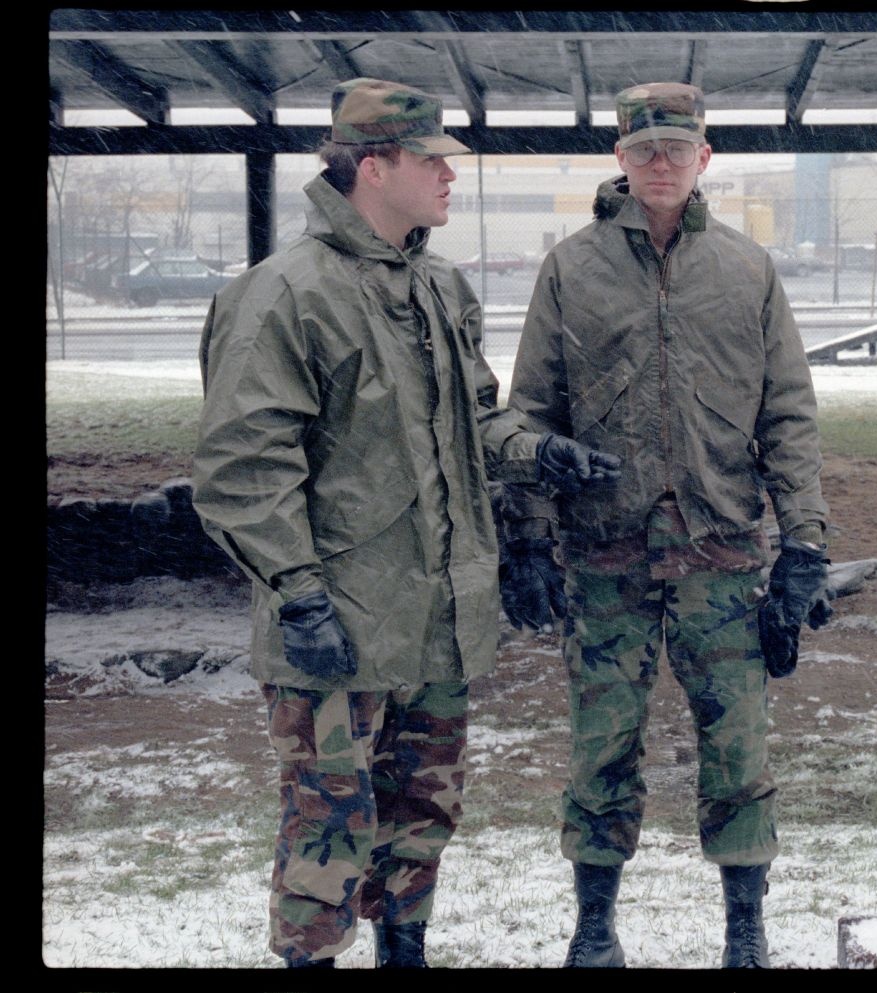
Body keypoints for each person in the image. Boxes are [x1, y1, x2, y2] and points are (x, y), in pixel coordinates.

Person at [192, 77, 618, 969]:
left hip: (438, 622)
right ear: (374, 167)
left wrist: (540, 454)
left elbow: (475, 417)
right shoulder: (282, 296)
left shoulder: (438, 288)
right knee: (328, 829)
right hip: (341, 622)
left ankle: (406, 953)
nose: (449, 178)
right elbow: (242, 469)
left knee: (422, 812)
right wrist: (299, 594)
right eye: (433, 162)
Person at [499, 81, 832, 969]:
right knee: (601, 742)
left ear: (703, 159)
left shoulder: (747, 270)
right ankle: (596, 925)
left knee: (738, 743)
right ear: (620, 158)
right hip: (603, 555)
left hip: (721, 554)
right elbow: (531, 410)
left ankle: (745, 929)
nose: (659, 164)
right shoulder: (571, 270)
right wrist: (526, 537)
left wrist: (805, 539)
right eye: (643, 149)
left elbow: (788, 415)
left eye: (675, 150)